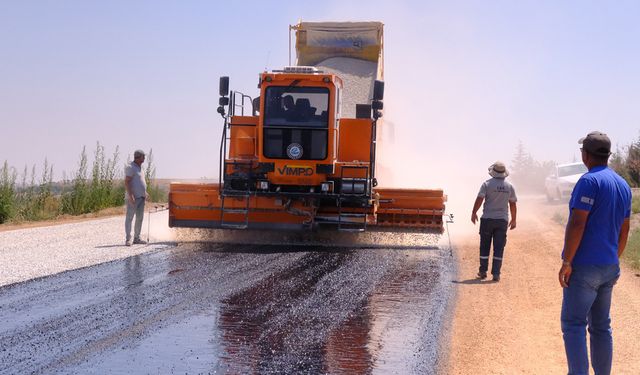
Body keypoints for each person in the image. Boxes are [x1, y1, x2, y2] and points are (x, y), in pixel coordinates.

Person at [559, 131, 631, 375]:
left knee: (573, 324)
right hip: (609, 266)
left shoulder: (588, 182)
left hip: (585, 267)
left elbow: (578, 224)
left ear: (585, 154)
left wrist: (567, 261)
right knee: (601, 327)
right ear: (608, 155)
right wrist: (614, 259)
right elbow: (625, 229)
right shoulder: (622, 184)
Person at [471, 161, 517, 282]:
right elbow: (512, 204)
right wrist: (514, 220)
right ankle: (496, 274)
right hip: (502, 221)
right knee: (499, 247)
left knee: (485, 246)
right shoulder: (509, 186)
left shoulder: (487, 184)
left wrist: (474, 212)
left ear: (493, 172)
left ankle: (483, 272)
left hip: (487, 219)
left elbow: (480, 199)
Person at [124, 149, 148, 246]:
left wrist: (145, 192)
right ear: (138, 157)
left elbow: (140, 181)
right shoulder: (131, 167)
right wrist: (130, 196)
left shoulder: (141, 168)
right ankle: (128, 239)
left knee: (139, 218)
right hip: (133, 197)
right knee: (130, 217)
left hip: (141, 197)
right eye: (143, 157)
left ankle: (137, 238)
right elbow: (127, 182)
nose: (144, 158)